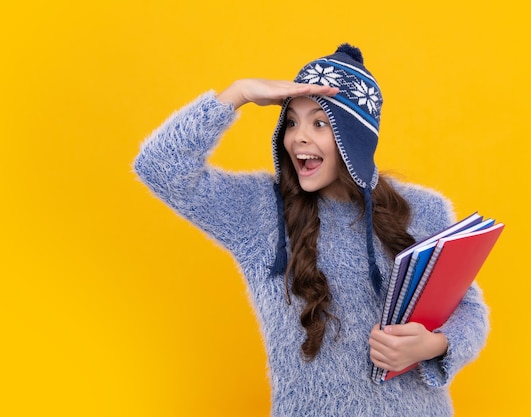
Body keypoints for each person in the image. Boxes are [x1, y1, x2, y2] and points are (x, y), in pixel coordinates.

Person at [134, 43, 489, 416]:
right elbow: (160, 167)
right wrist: (236, 94)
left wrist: (432, 346)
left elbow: (469, 311)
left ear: (354, 138)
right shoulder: (259, 213)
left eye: (320, 123)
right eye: (291, 122)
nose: (298, 137)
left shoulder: (423, 211)